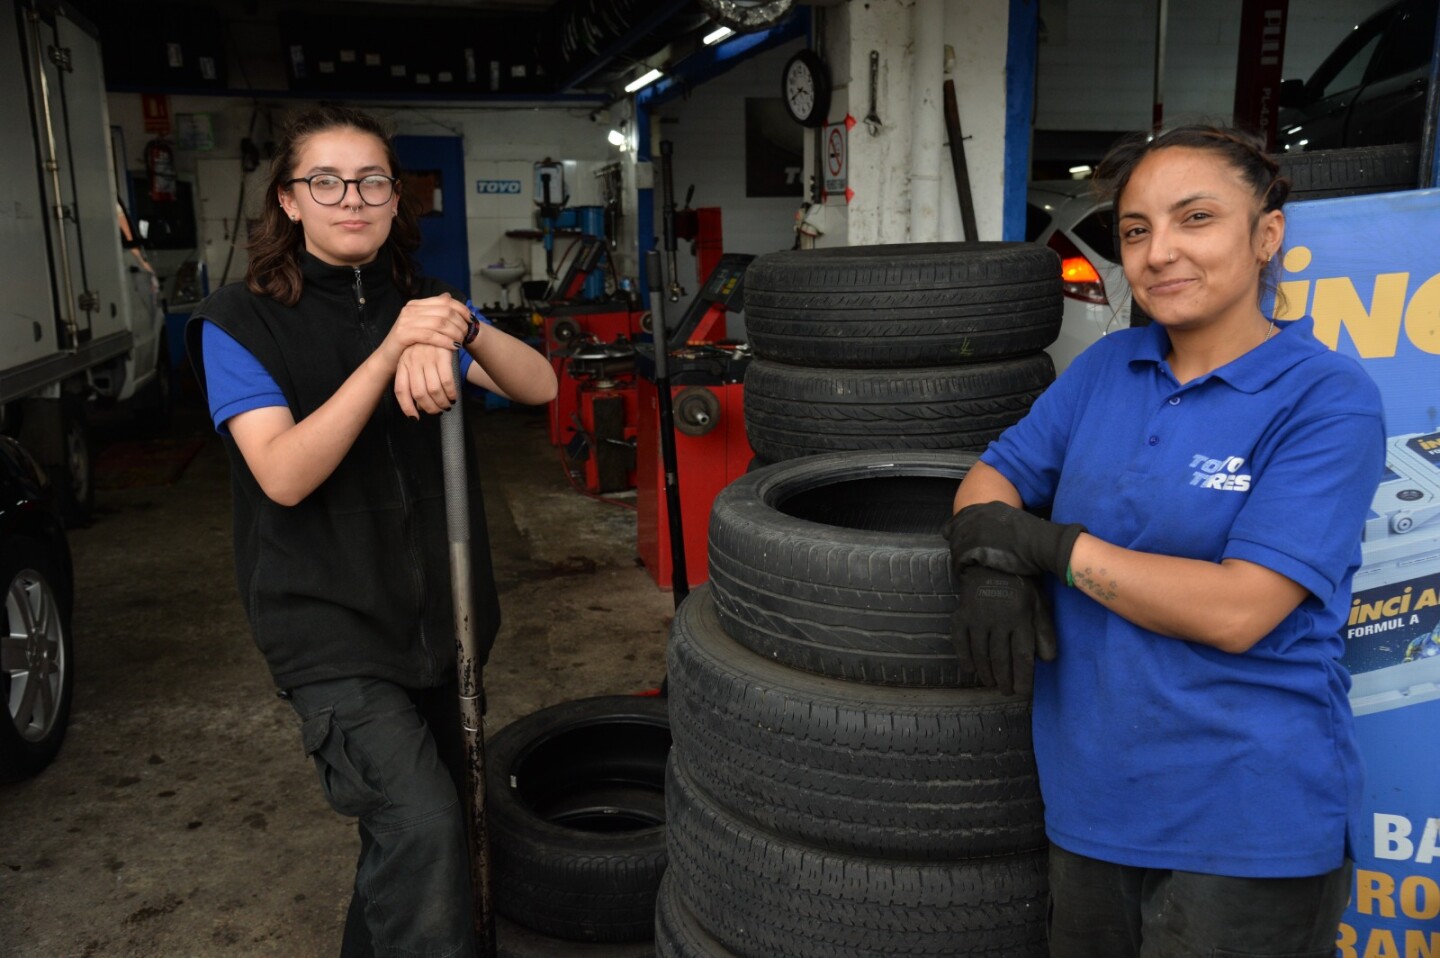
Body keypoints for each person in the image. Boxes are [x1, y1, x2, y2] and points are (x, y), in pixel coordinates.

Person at [942, 125, 1385, 956]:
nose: (1158, 253)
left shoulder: (1326, 401)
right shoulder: (1108, 369)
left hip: (1246, 821)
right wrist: (991, 559)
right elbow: (992, 477)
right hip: (1093, 805)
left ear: (1266, 236)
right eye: (1137, 230)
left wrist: (1049, 547)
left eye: (1195, 219)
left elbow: (1239, 610)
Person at [185, 104, 557, 957]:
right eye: (326, 181)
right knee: (425, 828)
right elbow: (281, 472)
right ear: (288, 200)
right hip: (328, 629)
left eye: (373, 181)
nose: (351, 198)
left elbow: (538, 387)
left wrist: (458, 326)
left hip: (442, 623)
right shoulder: (236, 323)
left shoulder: (424, 305)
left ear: (396, 200)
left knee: (414, 844)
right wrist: (390, 353)